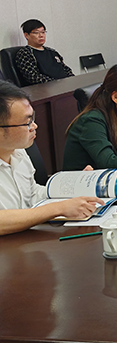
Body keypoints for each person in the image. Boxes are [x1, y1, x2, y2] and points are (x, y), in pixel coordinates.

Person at [0, 80, 101, 235]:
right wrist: (58, 208)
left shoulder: (18, 152)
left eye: (33, 119)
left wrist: (74, 185)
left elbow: (32, 194)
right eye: (27, 122)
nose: (34, 126)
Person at [14, 19, 74, 86]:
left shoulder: (52, 52)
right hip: (47, 88)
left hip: (65, 86)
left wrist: (72, 80)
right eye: (36, 33)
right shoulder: (25, 53)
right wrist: (57, 83)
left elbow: (66, 69)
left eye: (43, 32)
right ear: (26, 35)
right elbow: (33, 77)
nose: (41, 35)